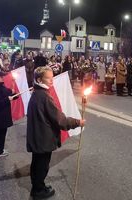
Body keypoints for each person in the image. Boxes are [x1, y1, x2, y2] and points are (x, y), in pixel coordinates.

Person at [26, 67, 85, 199]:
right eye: (48, 78)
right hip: (43, 137)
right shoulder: (44, 96)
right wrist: (77, 122)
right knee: (41, 166)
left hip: (38, 136)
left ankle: (38, 185)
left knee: (37, 163)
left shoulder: (37, 93)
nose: (51, 81)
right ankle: (38, 191)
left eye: (52, 77)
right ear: (39, 79)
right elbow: (60, 120)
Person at [0, 69, 17, 158]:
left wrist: (13, 93)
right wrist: (7, 99)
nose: (3, 78)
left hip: (2, 115)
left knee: (1, 133)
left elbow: (7, 92)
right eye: (0, 76)